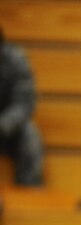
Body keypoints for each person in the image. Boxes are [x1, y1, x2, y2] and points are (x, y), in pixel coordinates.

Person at [0, 27, 43, 186]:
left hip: (6, 129)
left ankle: (30, 188)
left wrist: (4, 124)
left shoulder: (15, 59)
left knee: (29, 134)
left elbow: (25, 102)